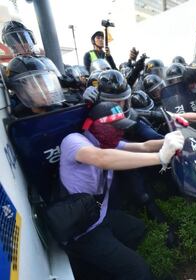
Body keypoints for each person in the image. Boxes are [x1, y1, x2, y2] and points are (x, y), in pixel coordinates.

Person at [60, 101, 184, 280]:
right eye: (116, 127)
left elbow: (144, 146)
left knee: (138, 229)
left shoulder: (107, 143)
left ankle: (107, 266)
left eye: (122, 127)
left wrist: (171, 140)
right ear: (96, 126)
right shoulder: (73, 141)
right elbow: (101, 158)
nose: (121, 132)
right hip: (82, 229)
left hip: (100, 215)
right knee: (138, 271)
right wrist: (160, 158)